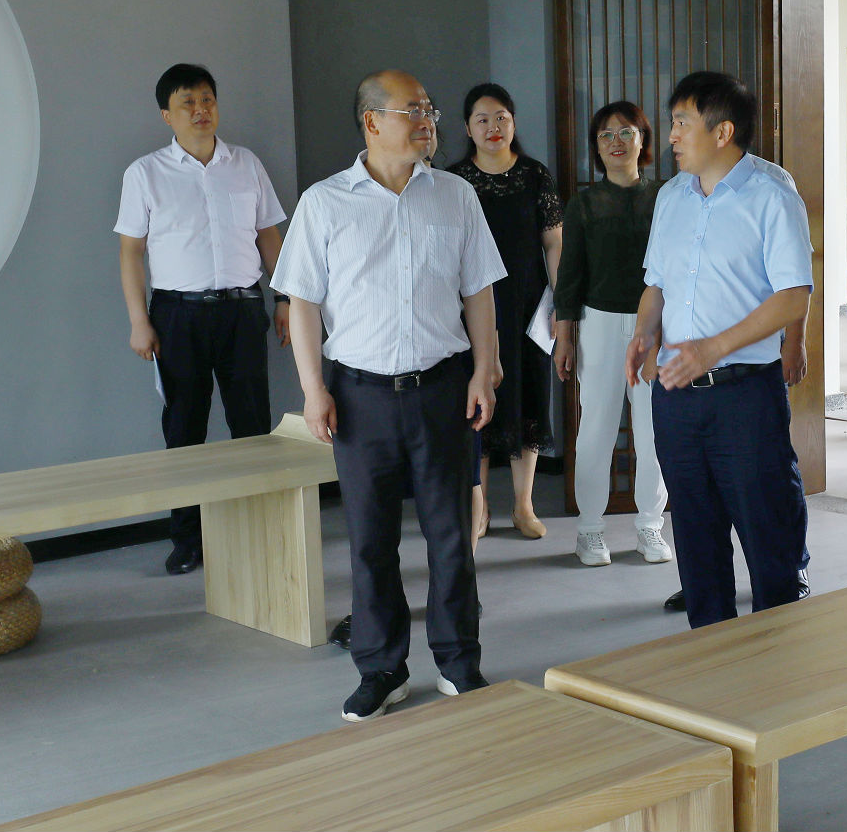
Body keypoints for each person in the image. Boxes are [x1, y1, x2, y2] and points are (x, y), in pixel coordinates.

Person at [274, 69, 505, 722]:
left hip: (443, 389)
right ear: (372, 121)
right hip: (360, 396)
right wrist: (313, 389)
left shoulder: (456, 196)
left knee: (451, 536)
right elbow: (302, 304)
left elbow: (479, 291)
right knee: (371, 542)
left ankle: (459, 661)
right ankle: (381, 669)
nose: (427, 120)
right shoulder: (325, 203)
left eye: (429, 109)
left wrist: (485, 370)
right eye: (413, 110)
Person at [624, 71, 813, 629]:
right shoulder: (671, 197)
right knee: (695, 533)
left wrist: (714, 348)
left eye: (682, 123)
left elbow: (793, 297)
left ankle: (781, 650)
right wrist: (644, 332)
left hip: (744, 395)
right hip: (676, 396)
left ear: (723, 131)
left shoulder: (771, 195)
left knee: (766, 531)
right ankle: (709, 651)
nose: (671, 136)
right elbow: (657, 283)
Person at [115, 63, 289, 576]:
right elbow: (130, 253)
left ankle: (258, 531)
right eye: (187, 103)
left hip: (242, 309)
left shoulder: (246, 164)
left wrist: (284, 298)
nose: (200, 111)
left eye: (207, 99)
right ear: (166, 115)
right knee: (184, 429)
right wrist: (139, 320)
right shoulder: (145, 173)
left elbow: (269, 237)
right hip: (176, 315)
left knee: (252, 426)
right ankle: (188, 539)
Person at [553, 101, 672, 568]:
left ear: (643, 140)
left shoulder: (666, 196)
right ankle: (589, 530)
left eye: (626, 132)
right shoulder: (584, 203)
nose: (616, 141)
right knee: (596, 430)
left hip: (656, 326)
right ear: (596, 148)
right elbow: (569, 276)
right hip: (598, 324)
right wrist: (565, 337)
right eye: (606, 135)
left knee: (653, 431)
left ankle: (650, 526)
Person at [447, 84, 563, 539]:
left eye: (501, 118)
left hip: (529, 308)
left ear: (513, 123)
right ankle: (478, 509)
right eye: (482, 119)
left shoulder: (535, 175)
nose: (493, 127)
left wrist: (561, 303)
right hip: (470, 310)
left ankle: (523, 505)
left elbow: (554, 243)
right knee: (475, 404)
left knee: (530, 399)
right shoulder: (454, 181)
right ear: (467, 128)